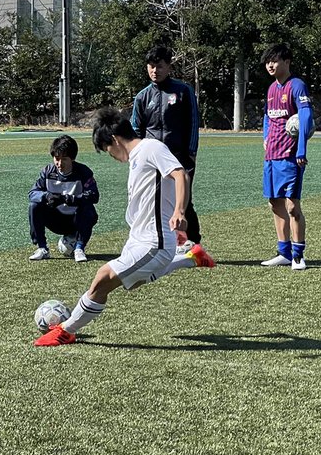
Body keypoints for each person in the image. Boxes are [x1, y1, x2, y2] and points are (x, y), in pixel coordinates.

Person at [34, 108, 216, 347]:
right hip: (140, 238)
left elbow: (180, 174)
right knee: (132, 282)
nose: (111, 155)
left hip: (154, 241)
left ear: (114, 139)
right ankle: (190, 257)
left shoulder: (151, 148)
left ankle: (66, 331)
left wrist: (179, 212)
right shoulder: (138, 158)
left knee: (103, 278)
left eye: (107, 150)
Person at [131, 44, 202, 251]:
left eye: (160, 66)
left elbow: (193, 123)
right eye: (151, 66)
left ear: (169, 67)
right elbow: (136, 129)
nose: (155, 71)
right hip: (153, 159)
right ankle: (161, 242)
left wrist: (191, 153)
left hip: (180, 156)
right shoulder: (142, 97)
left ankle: (194, 242)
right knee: (154, 201)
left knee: (184, 201)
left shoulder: (183, 91)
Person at [259, 43, 314, 271]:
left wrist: (301, 150)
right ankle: (283, 252)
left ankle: (298, 255)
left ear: (287, 62)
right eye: (267, 61)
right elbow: (267, 117)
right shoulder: (272, 89)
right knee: (274, 203)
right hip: (271, 155)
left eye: (275, 61)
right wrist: (264, 138)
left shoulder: (297, 86)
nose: (270, 65)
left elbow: (306, 117)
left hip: (291, 156)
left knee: (292, 206)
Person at [27, 134, 99, 263]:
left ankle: (79, 248)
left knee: (89, 210)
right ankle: (42, 248)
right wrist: (46, 196)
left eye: (64, 159)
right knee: (34, 205)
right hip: (56, 219)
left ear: (72, 159)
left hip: (76, 220)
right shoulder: (47, 172)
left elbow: (94, 195)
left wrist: (69, 199)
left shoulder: (83, 172)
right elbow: (32, 193)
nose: (60, 163)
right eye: (57, 158)